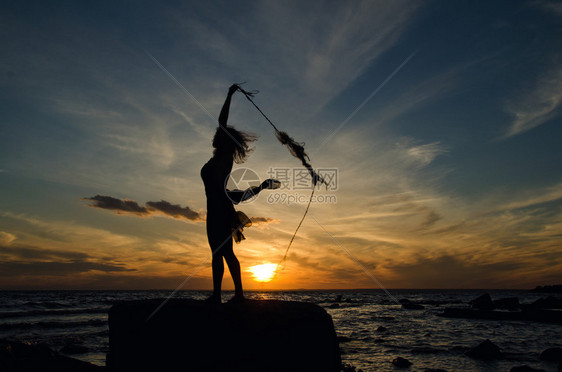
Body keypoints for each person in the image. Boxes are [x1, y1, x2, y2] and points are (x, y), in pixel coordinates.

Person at [200, 84, 280, 304]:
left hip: (221, 212)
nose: (216, 134)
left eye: (220, 133)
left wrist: (229, 95)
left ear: (224, 140)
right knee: (218, 254)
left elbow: (221, 123)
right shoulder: (217, 159)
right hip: (214, 211)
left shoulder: (225, 159)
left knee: (225, 253)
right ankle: (219, 295)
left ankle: (238, 295)